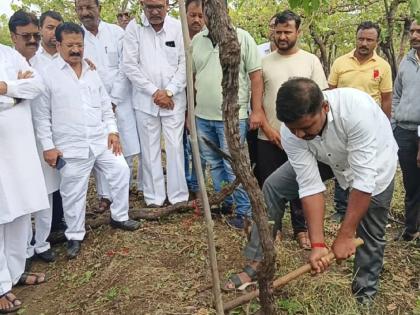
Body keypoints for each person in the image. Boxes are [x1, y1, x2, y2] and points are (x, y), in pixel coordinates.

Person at [225, 78, 397, 306]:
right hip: (323, 154)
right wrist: (318, 245)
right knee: (274, 186)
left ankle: (364, 294)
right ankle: (259, 262)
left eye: (306, 127)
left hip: (373, 164)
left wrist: (345, 235)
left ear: (324, 107)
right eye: (293, 128)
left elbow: (364, 181)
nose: (298, 134)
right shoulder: (294, 130)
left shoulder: (357, 112)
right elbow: (310, 185)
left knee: (369, 229)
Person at [32, 22, 140, 260]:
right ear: (58, 44)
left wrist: (113, 131)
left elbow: (104, 104)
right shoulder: (48, 76)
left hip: (100, 140)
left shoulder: (92, 71)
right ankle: (75, 235)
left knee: (121, 170)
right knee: (73, 193)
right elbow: (41, 117)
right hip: (70, 146)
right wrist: (48, 147)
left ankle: (119, 216)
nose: (75, 50)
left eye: (79, 45)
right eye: (69, 45)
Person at [256, 10, 328, 248]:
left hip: (302, 137)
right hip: (268, 135)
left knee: (301, 181)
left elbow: (321, 97)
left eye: (287, 32)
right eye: (278, 32)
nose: (282, 36)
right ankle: (272, 229)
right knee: (269, 183)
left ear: (298, 32)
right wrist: (268, 129)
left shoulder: (310, 61)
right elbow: (256, 102)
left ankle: (301, 229)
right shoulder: (262, 62)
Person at [191, 0, 264, 229]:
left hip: (232, 117)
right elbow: (192, 77)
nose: (209, 16)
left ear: (224, 11)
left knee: (234, 165)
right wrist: (189, 112)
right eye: (206, 13)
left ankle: (244, 212)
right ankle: (227, 201)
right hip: (202, 116)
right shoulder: (196, 40)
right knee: (214, 163)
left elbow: (255, 76)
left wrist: (257, 110)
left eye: (214, 11)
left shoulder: (242, 38)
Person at [123, 0, 189, 207]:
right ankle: (154, 198)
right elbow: (130, 66)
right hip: (145, 101)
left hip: (173, 100)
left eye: (159, 6)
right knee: (149, 150)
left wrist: (169, 91)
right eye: (149, 6)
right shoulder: (134, 28)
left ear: (167, 5)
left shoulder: (178, 27)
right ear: (142, 4)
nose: (154, 11)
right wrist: (155, 92)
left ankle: (178, 197)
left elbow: (185, 63)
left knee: (175, 148)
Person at [328, 21, 393, 222]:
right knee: (342, 161)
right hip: (342, 124)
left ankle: (365, 207)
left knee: (364, 165)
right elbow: (331, 93)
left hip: (369, 126)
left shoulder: (383, 66)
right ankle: (341, 208)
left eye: (369, 40)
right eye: (361, 38)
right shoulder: (340, 63)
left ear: (377, 42)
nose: (364, 43)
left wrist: (386, 128)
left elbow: (386, 99)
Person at [0, 43, 48, 314]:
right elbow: (24, 92)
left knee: (20, 210)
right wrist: (18, 94)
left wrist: (6, 89)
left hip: (19, 146)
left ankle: (14, 272)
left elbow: (37, 85)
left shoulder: (8, 53)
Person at [75, 0, 125, 213]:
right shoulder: (76, 39)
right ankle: (105, 196)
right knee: (99, 149)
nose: (85, 12)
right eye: (80, 8)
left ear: (100, 9)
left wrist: (114, 99)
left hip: (121, 101)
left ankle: (124, 192)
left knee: (125, 149)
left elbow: (125, 67)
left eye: (89, 7)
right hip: (93, 108)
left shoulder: (116, 33)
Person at [28, 10, 64, 264]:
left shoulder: (68, 59)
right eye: (49, 27)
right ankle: (38, 242)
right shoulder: (31, 62)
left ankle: (55, 229)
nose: (53, 33)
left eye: (57, 28)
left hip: (64, 130)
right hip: (36, 134)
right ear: (42, 29)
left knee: (60, 184)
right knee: (43, 188)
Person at [392, 20, 420, 242]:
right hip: (404, 131)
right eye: (412, 31)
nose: (414, 35)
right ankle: (411, 229)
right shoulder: (407, 60)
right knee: (411, 182)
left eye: (419, 31)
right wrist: (394, 122)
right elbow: (397, 94)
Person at [184, 0, 205, 199]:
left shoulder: (208, 40)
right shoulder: (180, 37)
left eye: (201, 15)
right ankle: (186, 183)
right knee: (182, 147)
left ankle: (199, 187)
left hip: (203, 107)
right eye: (193, 15)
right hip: (178, 102)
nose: (197, 20)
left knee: (200, 147)